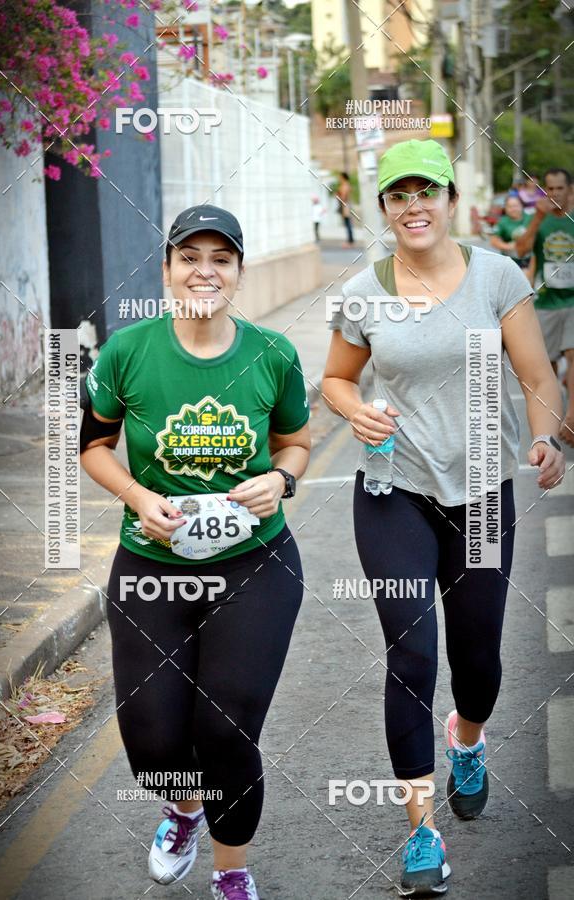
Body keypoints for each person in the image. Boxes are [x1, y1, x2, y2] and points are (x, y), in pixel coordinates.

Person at [322, 139, 565, 896]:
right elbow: (333, 378)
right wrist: (355, 410)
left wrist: (548, 436)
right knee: (412, 655)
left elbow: (533, 375)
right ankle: (421, 835)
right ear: (386, 208)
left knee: (479, 661)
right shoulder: (364, 291)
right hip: (393, 491)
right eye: (399, 195)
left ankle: (469, 737)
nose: (414, 206)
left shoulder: (495, 274)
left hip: (486, 494)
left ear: (450, 199)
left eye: (426, 191)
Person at [80, 204, 311, 900]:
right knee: (153, 748)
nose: (204, 271)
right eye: (190, 257)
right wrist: (137, 498)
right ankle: (182, 805)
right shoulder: (128, 350)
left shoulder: (273, 354)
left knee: (226, 730)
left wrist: (282, 478)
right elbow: (92, 447)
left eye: (221, 258)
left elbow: (295, 441)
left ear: (239, 271)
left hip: (255, 566)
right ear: (168, 269)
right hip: (152, 568)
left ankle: (231, 871)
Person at [515, 168, 574, 448]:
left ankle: (572, 416)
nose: (554, 194)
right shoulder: (538, 219)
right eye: (549, 189)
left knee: (573, 353)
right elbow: (521, 250)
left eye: (559, 189)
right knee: (545, 369)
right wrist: (537, 218)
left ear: (570, 191)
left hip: (573, 301)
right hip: (547, 302)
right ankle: (549, 424)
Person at [490, 193, 532, 274]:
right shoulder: (502, 222)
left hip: (529, 259)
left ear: (521, 206)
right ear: (505, 208)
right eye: (510, 206)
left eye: (515, 206)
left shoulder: (530, 219)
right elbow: (494, 241)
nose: (513, 209)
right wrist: (510, 247)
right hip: (511, 260)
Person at [337, 171, 355, 247]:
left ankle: (350, 241)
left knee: (347, 223)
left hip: (345, 206)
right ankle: (351, 240)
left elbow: (343, 198)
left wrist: (338, 196)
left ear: (343, 177)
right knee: (348, 223)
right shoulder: (348, 185)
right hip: (347, 205)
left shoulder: (345, 186)